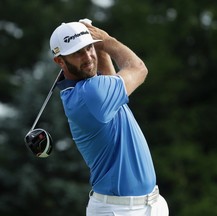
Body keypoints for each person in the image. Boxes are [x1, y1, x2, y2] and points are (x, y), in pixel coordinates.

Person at [49, 20, 169, 216]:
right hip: (119, 210)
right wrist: (106, 40)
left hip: (151, 204)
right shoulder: (91, 94)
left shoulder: (90, 90)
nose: (87, 56)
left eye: (89, 48)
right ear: (60, 61)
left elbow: (110, 79)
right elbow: (139, 68)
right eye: (78, 53)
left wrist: (100, 48)